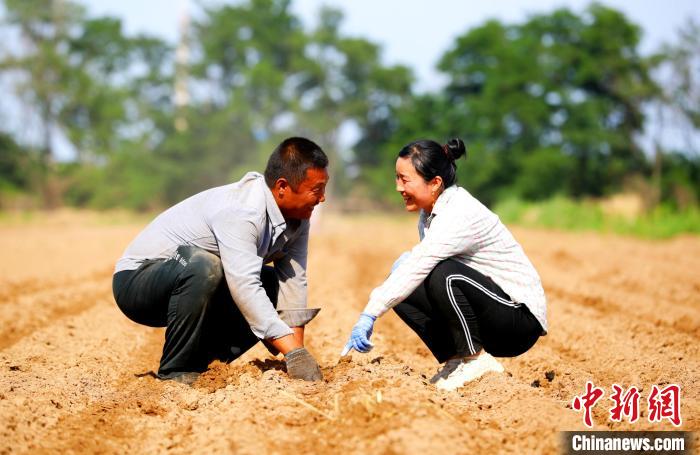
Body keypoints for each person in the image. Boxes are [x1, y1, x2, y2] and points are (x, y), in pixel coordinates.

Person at [112, 137, 329, 384]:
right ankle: (175, 371)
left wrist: (296, 355)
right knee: (204, 266)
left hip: (189, 284)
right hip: (138, 282)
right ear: (282, 186)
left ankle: (206, 366)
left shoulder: (298, 218)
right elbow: (244, 286)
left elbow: (293, 279)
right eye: (316, 190)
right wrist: (293, 351)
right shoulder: (242, 212)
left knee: (269, 281)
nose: (322, 198)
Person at [342, 138, 547, 391]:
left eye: (404, 179)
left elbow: (422, 262)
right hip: (489, 310)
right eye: (396, 178)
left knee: (438, 272)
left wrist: (369, 314)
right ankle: (456, 359)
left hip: (518, 320)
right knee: (403, 283)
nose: (398, 187)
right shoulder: (429, 212)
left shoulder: (459, 212)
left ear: (435, 183)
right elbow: (412, 269)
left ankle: (475, 360)